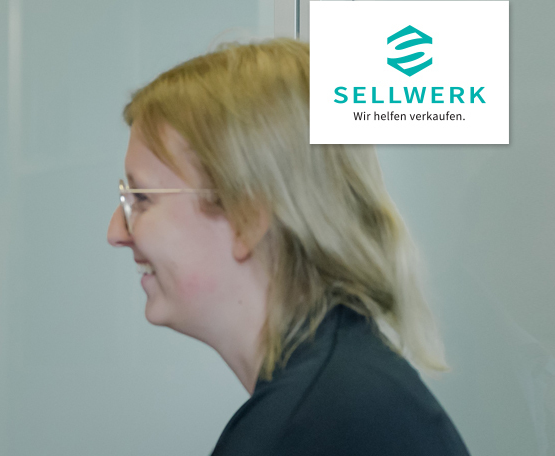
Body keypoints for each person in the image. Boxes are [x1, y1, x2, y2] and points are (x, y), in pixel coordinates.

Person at [106, 39, 469, 455]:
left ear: (247, 217)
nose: (116, 231)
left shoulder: (312, 426)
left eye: (142, 199)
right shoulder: (345, 397)